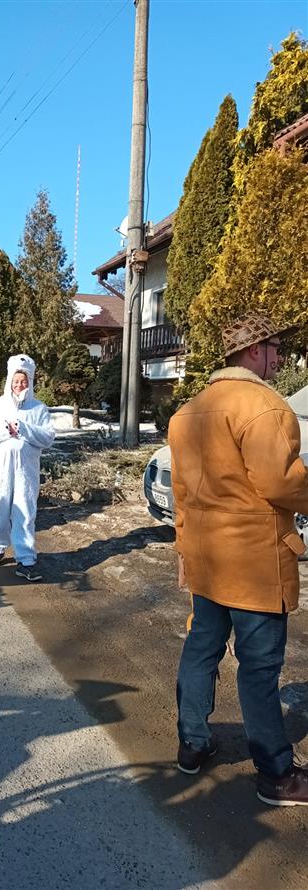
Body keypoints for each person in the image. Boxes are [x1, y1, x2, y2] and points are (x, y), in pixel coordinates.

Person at [169, 313, 308, 807]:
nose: (280, 358)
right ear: (254, 351)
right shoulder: (265, 406)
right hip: (254, 563)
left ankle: (192, 744)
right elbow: (281, 482)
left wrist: (184, 549)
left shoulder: (188, 412)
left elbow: (181, 494)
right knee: (259, 667)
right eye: (275, 349)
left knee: (201, 648)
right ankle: (276, 775)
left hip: (207, 559)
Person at [0, 354, 55, 581]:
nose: (19, 385)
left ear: (30, 382)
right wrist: (5, 431)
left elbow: (48, 437)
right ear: (9, 380)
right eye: (16, 380)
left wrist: (24, 428)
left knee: (25, 512)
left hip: (26, 471)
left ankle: (26, 559)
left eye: (24, 381)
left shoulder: (38, 409)